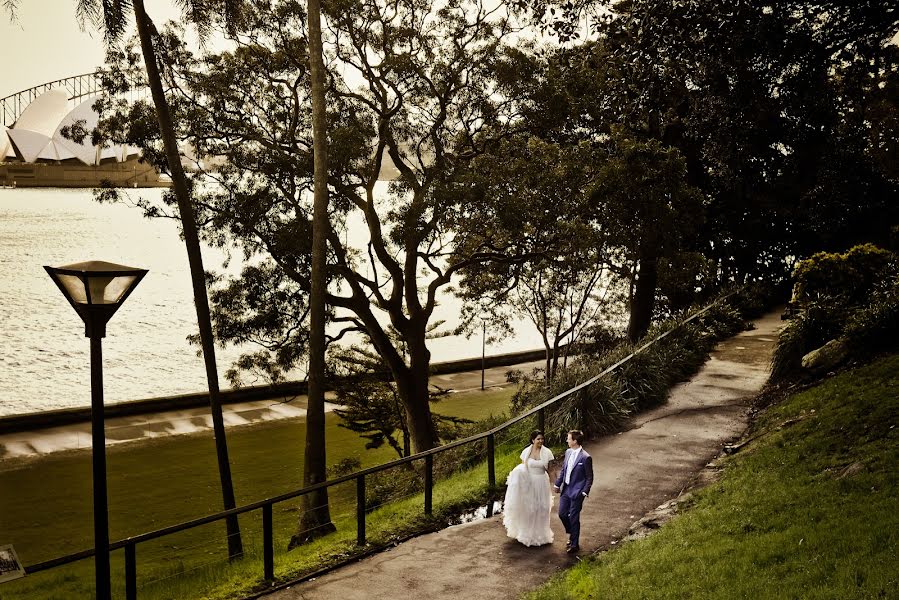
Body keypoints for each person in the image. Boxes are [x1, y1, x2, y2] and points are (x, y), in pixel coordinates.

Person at [502, 430, 555, 546]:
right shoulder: (526, 451)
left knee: (542, 508)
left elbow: (551, 470)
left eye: (542, 439)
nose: (541, 441)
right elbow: (523, 467)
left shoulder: (547, 453)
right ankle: (527, 533)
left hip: (541, 482)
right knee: (530, 508)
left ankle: (541, 535)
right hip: (529, 482)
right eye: (538, 439)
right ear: (533, 440)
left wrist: (554, 484)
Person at [553, 429, 593, 553]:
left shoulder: (586, 457)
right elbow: (564, 471)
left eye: (569, 438)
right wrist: (557, 484)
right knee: (562, 514)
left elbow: (589, 477)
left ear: (575, 441)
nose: (567, 440)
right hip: (566, 489)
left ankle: (574, 544)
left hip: (577, 492)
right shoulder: (568, 452)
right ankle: (572, 531)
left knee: (574, 517)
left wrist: (584, 492)